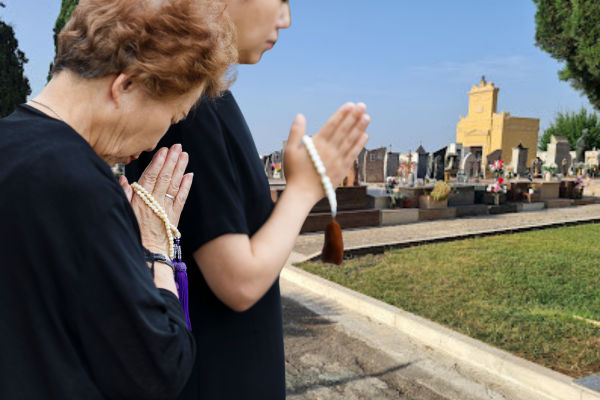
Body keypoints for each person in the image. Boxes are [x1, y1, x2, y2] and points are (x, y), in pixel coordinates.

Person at [126, 0, 371, 398]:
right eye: (282, 0)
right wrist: (304, 189)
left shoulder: (209, 97)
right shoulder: (188, 108)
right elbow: (238, 281)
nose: (287, 19)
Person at [0, 0, 237, 399]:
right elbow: (158, 368)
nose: (157, 140)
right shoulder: (81, 183)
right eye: (172, 117)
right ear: (125, 86)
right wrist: (154, 247)